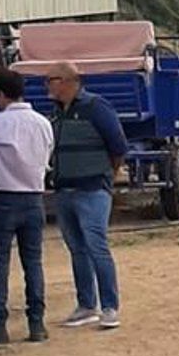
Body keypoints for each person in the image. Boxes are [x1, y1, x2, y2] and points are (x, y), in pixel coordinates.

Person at [0, 68, 54, 346]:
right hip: (33, 196)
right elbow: (47, 155)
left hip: (2, 196)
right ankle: (36, 322)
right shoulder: (42, 122)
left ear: (1, 94)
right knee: (33, 261)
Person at [44, 58, 128, 329]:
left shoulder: (96, 108)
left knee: (96, 245)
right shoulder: (56, 112)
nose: (47, 85)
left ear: (68, 82)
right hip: (65, 189)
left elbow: (118, 146)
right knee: (77, 249)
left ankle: (110, 306)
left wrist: (107, 177)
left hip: (92, 189)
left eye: (51, 80)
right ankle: (86, 305)